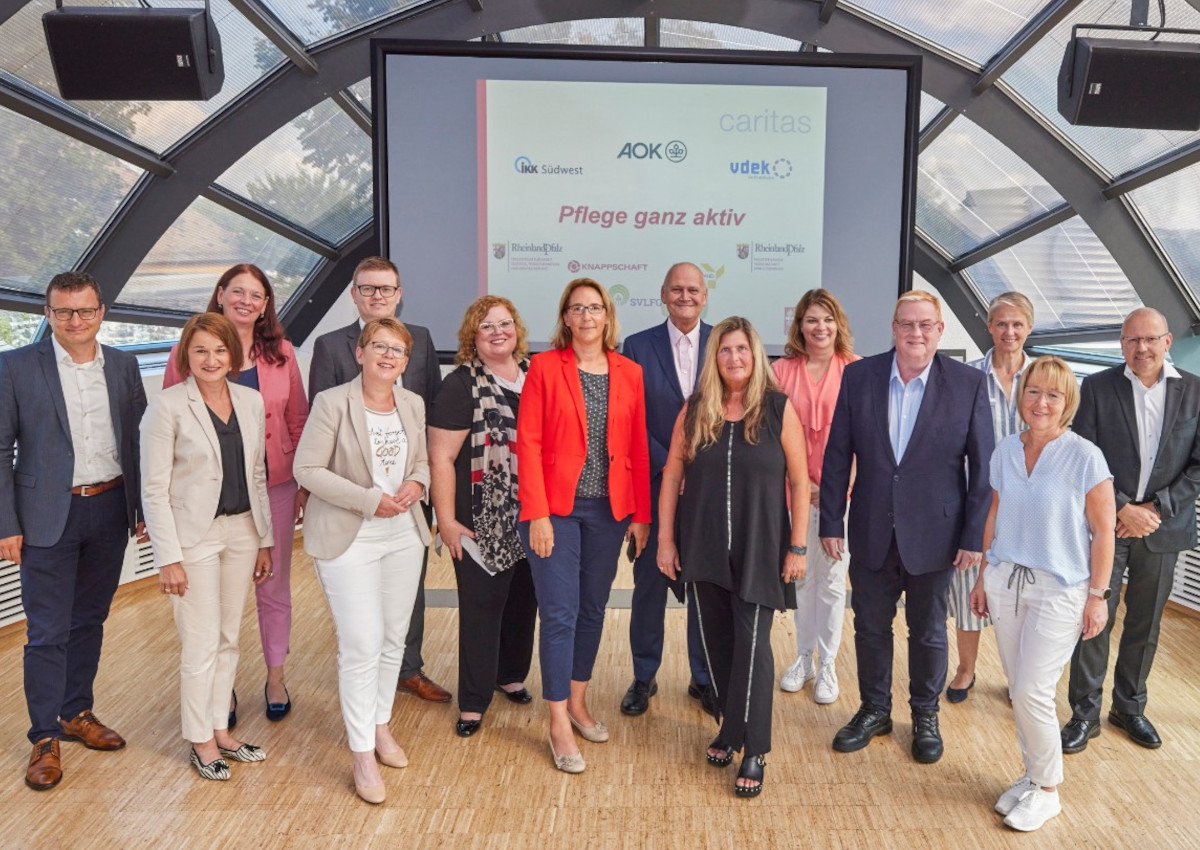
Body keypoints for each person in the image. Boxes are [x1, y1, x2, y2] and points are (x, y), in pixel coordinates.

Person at [820, 290, 993, 764]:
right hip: (872, 528)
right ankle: (874, 709)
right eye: (906, 324)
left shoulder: (967, 385)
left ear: (939, 331)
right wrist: (831, 521)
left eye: (925, 325)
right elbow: (838, 455)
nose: (915, 333)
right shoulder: (860, 377)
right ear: (893, 328)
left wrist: (973, 537)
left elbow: (982, 469)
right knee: (870, 627)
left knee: (929, 631)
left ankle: (924, 715)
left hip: (937, 536)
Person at [1, 272, 147, 791]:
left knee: (90, 619)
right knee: (45, 632)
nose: (75, 321)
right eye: (64, 312)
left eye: (85, 311)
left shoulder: (125, 366)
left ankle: (76, 712)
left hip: (109, 510)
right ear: (48, 315)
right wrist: (6, 524)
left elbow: (136, 443)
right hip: (46, 517)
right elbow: (1, 449)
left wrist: (142, 509)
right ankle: (44, 736)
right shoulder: (15, 367)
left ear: (101, 312)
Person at [658, 316, 808, 798]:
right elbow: (672, 477)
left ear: (756, 354)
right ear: (714, 358)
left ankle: (755, 749)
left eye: (742, 349)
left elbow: (802, 483)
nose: (734, 358)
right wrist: (666, 540)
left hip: (762, 547)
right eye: (725, 350)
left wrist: (798, 546)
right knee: (716, 644)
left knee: (754, 647)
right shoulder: (696, 408)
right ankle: (727, 728)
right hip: (702, 547)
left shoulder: (778, 409)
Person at [970, 355, 1115, 831]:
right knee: (1019, 688)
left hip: (1061, 590)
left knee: (1033, 689)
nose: (1041, 402)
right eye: (1033, 391)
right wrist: (981, 575)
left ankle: (1048, 789)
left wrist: (1098, 595)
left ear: (1067, 401)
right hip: (1005, 580)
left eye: (1053, 394)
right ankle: (1034, 777)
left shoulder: (1085, 455)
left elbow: (1104, 531)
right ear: (1021, 395)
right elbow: (994, 514)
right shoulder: (1004, 450)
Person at [515, 278, 651, 774]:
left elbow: (637, 446)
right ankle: (556, 722)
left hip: (610, 511)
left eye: (595, 308)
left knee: (593, 609)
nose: (587, 316)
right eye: (578, 308)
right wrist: (537, 513)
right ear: (566, 318)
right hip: (556, 509)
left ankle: (577, 700)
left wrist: (642, 515)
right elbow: (526, 443)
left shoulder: (629, 372)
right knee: (559, 614)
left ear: (608, 316)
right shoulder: (546, 367)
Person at [294, 317, 432, 804]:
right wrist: (368, 499)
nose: (388, 355)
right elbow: (305, 469)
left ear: (405, 361)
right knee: (361, 642)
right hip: (350, 537)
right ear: (360, 353)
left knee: (394, 638)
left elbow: (421, 461)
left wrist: (418, 482)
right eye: (379, 346)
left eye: (398, 349)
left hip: (403, 534)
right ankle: (360, 753)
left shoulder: (412, 403)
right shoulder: (333, 403)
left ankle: (379, 726)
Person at [164, 264, 307, 722]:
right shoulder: (188, 350)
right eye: (238, 291)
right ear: (220, 294)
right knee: (211, 599)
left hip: (276, 485)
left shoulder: (282, 352)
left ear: (266, 305)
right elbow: (170, 424)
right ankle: (219, 689)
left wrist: (303, 482)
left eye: (257, 295)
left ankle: (275, 676)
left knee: (273, 586)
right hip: (209, 495)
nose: (247, 301)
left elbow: (298, 420)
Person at [308, 256, 448, 703]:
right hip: (351, 500)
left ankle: (408, 668)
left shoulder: (422, 341)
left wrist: (422, 481)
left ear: (399, 294)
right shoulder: (331, 347)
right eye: (367, 289)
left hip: (408, 492)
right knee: (362, 605)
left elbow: (429, 417)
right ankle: (366, 672)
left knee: (410, 590)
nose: (377, 296)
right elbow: (319, 431)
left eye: (386, 289)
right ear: (354, 294)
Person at [141, 312, 275, 781]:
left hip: (242, 531)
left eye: (219, 350)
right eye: (200, 351)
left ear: (232, 356)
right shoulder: (167, 406)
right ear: (186, 356)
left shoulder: (251, 401)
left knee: (229, 638)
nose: (211, 359)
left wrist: (265, 539)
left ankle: (220, 729)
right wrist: (168, 558)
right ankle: (199, 739)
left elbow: (258, 474)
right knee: (199, 642)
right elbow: (154, 489)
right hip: (192, 538)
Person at [1062, 307, 1200, 754]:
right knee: (1094, 619)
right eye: (1131, 341)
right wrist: (1120, 506)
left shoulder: (1195, 392)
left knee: (1145, 621)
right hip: (1107, 525)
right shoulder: (1097, 387)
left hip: (1164, 526)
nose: (1141, 348)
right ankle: (1084, 714)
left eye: (1149, 339)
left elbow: (1198, 466)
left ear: (1167, 341)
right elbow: (1081, 456)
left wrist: (1154, 509)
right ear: (1121, 345)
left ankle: (1129, 707)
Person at [428, 296, 537, 738]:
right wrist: (447, 521)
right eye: (486, 325)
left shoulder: (536, 376)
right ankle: (473, 701)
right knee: (481, 608)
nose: (497, 332)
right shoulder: (459, 385)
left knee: (522, 603)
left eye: (505, 323)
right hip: (478, 521)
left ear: (517, 329)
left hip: (533, 515)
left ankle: (510, 675)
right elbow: (440, 459)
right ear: (473, 335)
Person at [619, 262, 713, 716]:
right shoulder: (637, 346)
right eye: (676, 289)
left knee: (704, 587)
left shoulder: (725, 344)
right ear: (662, 293)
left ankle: (704, 676)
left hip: (711, 493)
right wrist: (673, 464)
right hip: (654, 487)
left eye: (693, 289)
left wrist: (702, 467)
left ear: (705, 295)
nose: (685, 296)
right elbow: (628, 420)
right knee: (648, 588)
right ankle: (643, 677)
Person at [772, 288, 859, 705]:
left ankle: (828, 663)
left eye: (827, 319)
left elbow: (868, 439)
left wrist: (835, 491)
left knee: (832, 583)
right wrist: (800, 485)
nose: (819, 327)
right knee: (802, 579)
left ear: (838, 324)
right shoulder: (782, 371)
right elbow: (769, 433)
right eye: (811, 319)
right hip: (793, 494)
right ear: (799, 326)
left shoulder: (857, 370)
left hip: (840, 498)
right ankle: (802, 657)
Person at [950, 291, 1034, 703]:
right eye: (1002, 323)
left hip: (1029, 504)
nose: (1009, 331)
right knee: (970, 585)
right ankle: (966, 669)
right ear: (989, 326)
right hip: (976, 499)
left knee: (1025, 589)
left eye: (1017, 324)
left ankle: (1019, 676)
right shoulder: (966, 375)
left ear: (1029, 328)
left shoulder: (1045, 376)